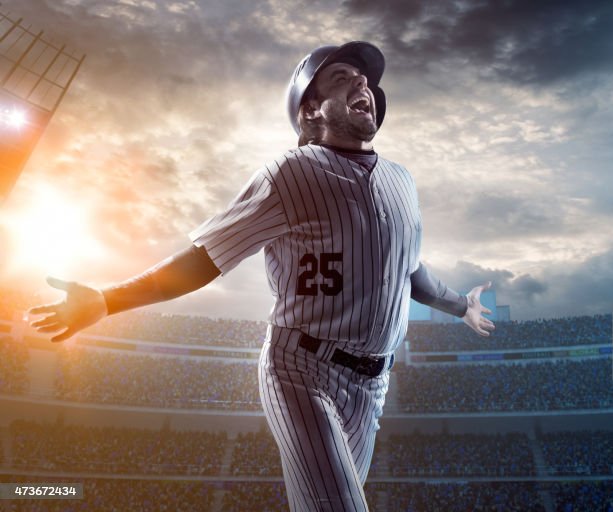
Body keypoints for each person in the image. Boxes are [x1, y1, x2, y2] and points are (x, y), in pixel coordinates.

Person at [28, 41, 494, 512]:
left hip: (373, 388)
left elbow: (412, 272)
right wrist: (108, 300)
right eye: (341, 77)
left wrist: (462, 306)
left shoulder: (402, 180)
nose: (362, 82)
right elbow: (205, 258)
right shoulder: (289, 173)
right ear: (311, 112)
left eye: (365, 78)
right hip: (302, 371)